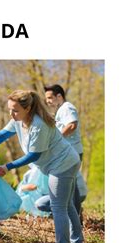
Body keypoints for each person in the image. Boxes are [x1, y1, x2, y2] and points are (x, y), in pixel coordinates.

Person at [0, 90, 84, 243]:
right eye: (10, 109)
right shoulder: (18, 119)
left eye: (15, 110)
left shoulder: (39, 125)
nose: (12, 114)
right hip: (63, 162)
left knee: (58, 207)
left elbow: (34, 155)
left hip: (63, 164)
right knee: (67, 205)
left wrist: (7, 167)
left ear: (28, 108)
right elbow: (2, 135)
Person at [45, 84, 84, 218]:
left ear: (59, 96)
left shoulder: (67, 107)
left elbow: (72, 125)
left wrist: (58, 139)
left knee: (72, 187)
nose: (48, 101)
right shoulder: (61, 110)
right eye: (46, 99)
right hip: (69, 153)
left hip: (73, 151)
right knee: (71, 186)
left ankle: (77, 218)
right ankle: (76, 218)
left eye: (50, 97)